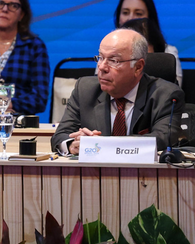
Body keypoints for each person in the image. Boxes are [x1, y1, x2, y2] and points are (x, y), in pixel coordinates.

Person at [51, 29, 184, 154]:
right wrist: (72, 145)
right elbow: (60, 136)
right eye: (101, 57)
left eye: (114, 61)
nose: (102, 67)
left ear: (138, 67)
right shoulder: (85, 90)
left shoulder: (166, 95)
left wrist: (101, 144)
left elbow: (163, 139)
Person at [113, 0, 182, 85]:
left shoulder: (168, 53)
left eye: (138, 13)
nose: (130, 18)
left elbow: (175, 89)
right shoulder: (108, 50)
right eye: (125, 12)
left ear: (150, 19)